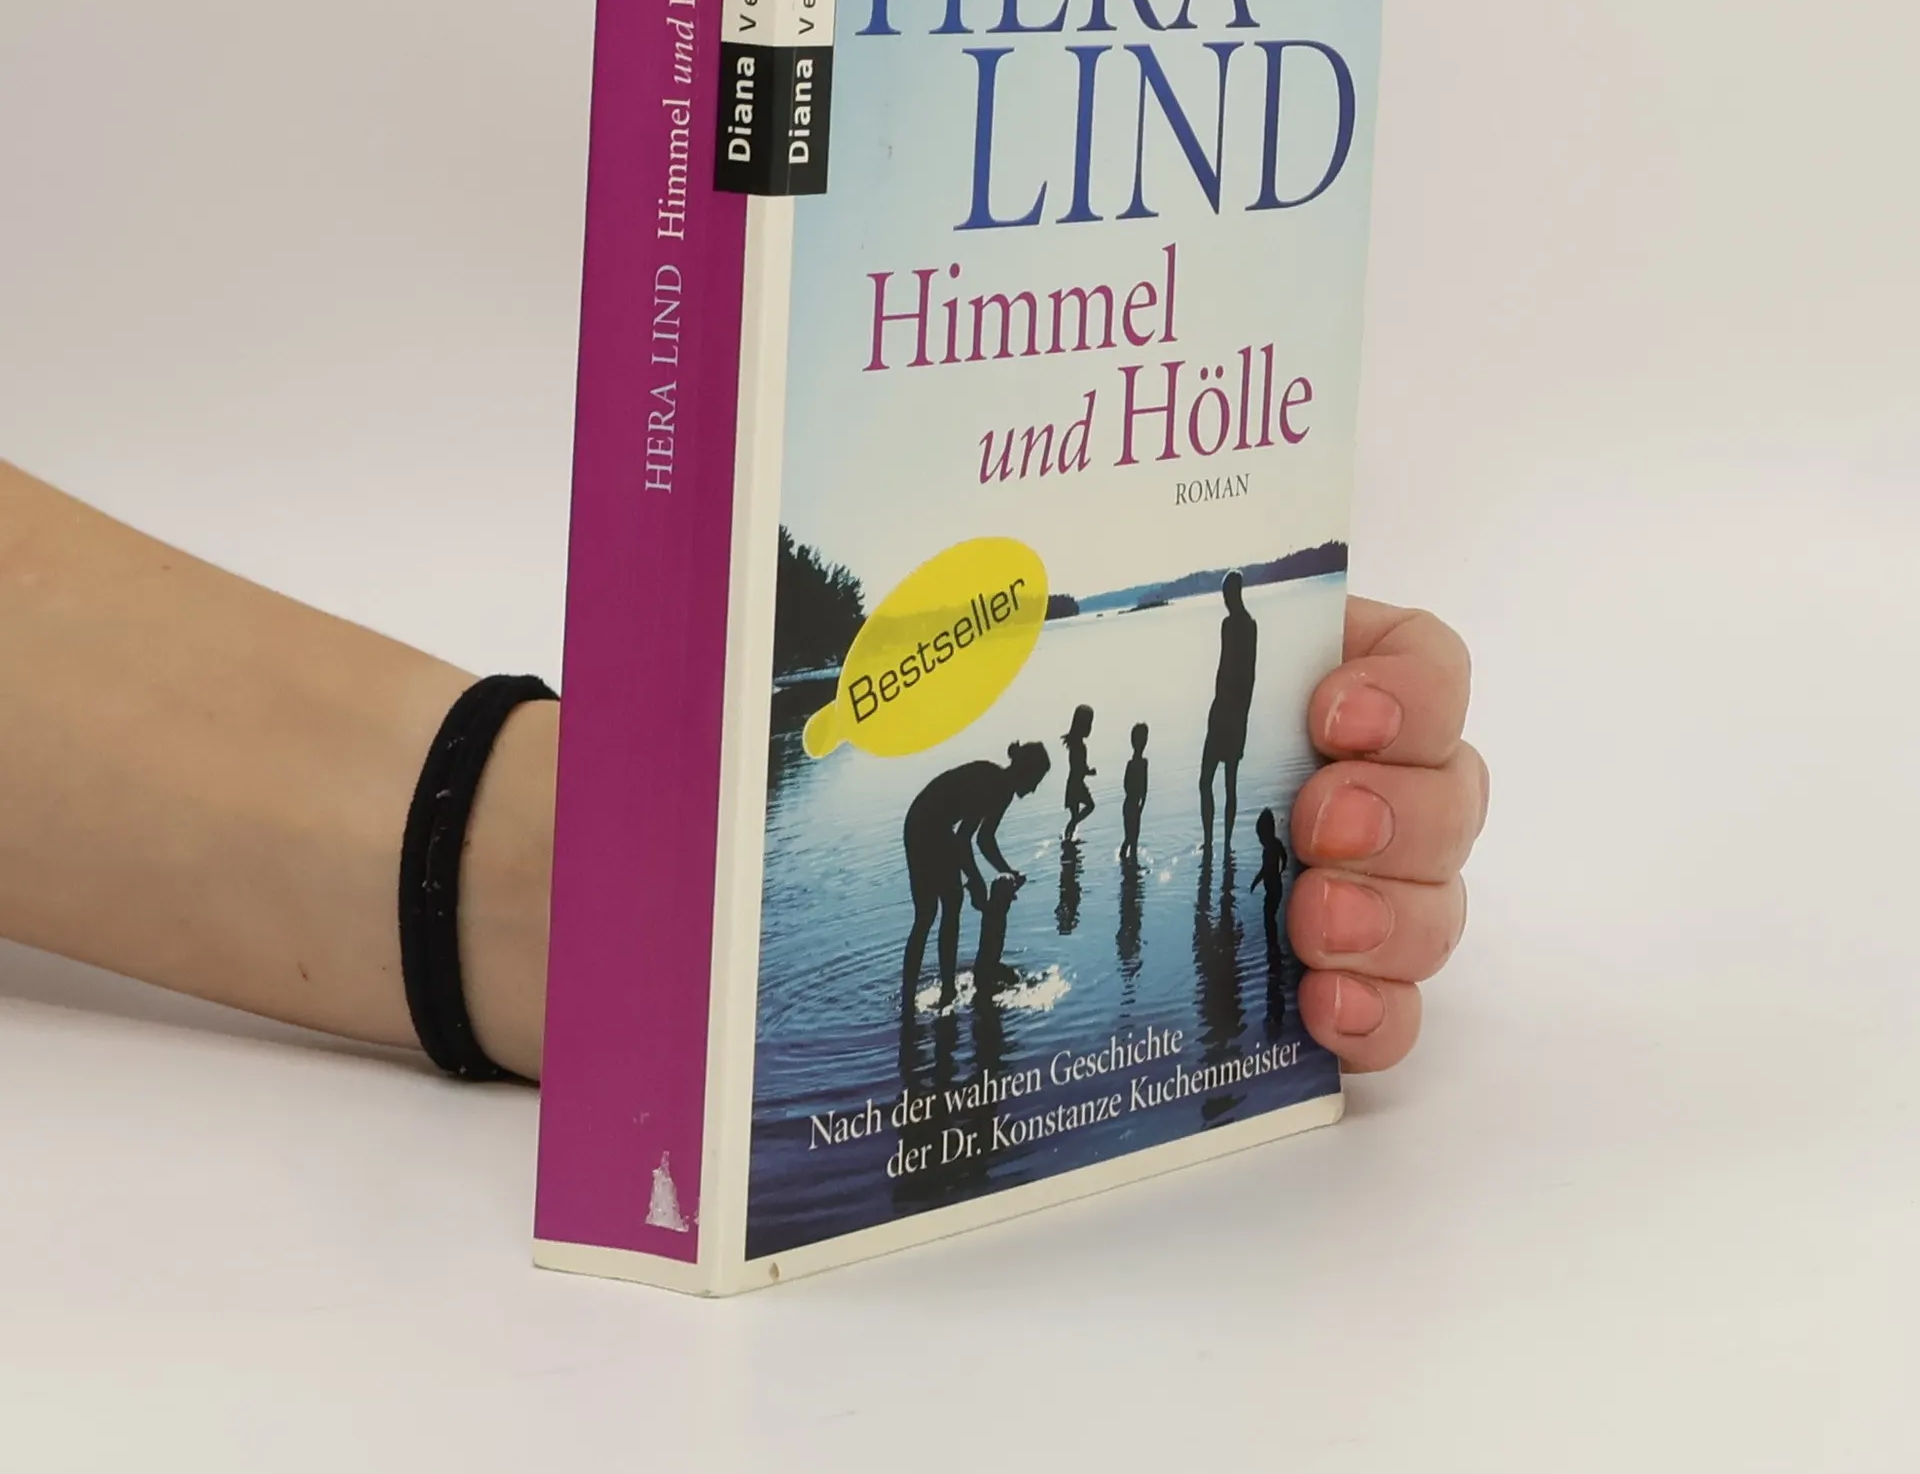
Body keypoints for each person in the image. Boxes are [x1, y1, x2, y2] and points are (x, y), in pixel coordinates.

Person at [0, 460, 1486, 1077]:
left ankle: (916, 987)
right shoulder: (988, 792)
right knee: (942, 922)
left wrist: (580, 878)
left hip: (596, 887)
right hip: (924, 850)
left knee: (953, 929)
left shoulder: (1007, 781)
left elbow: (996, 833)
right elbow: (967, 843)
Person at [899, 742, 1050, 1011]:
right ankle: (939, 992)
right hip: (925, 825)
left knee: (934, 913)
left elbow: (985, 839)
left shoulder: (1003, 789)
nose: (1035, 789)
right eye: (1036, 781)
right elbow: (963, 839)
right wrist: (976, 881)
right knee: (937, 911)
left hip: (926, 823)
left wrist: (1007, 871)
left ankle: (923, 997)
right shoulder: (993, 784)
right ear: (1026, 772)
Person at [1199, 571, 1257, 849]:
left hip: (1230, 713)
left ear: (1235, 593)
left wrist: (1240, 716)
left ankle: (1221, 845)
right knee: (1210, 782)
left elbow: (1245, 674)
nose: (1225, 600)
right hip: (1224, 711)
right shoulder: (1234, 624)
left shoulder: (1244, 626)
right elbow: (1226, 669)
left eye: (1227, 594)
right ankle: (1214, 843)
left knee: (1222, 783)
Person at [1249, 806, 1288, 960]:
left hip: (1272, 891)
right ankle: (1274, 945)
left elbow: (1264, 870)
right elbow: (1284, 856)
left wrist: (1255, 882)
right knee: (1271, 917)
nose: (1260, 841)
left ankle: (1273, 946)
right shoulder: (1277, 844)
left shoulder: (1268, 851)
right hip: (1277, 888)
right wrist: (1283, 868)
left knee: (1268, 918)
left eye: (1260, 837)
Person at [1061, 703, 1096, 843]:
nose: (1090, 728)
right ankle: (1070, 830)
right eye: (1088, 725)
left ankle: (1069, 838)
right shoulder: (1079, 746)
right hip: (1076, 785)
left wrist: (1087, 771)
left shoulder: (1076, 744)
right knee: (1090, 806)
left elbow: (1079, 766)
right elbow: (1078, 767)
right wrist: (1089, 772)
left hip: (1073, 783)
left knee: (1075, 814)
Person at [1121, 720, 1150, 856]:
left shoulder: (1140, 763)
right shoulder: (1136, 764)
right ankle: (1127, 859)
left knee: (1132, 838)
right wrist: (1139, 802)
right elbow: (1133, 786)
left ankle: (1129, 862)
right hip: (1131, 805)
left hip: (1133, 804)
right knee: (1131, 838)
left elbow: (1141, 786)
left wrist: (1140, 804)